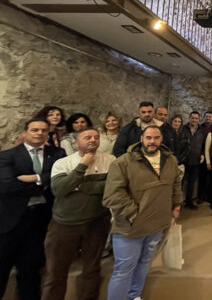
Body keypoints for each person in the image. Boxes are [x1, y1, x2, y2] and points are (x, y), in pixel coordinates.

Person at [103, 125, 183, 300]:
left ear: (161, 139)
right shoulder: (123, 162)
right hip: (130, 227)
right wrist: (134, 214)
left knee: (144, 263)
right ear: (141, 139)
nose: (152, 141)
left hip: (157, 224)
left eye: (156, 138)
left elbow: (176, 183)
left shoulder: (170, 160)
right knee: (123, 270)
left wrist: (176, 205)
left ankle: (134, 295)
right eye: (148, 138)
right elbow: (112, 195)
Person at [43, 128, 114, 300]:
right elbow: (60, 189)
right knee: (56, 271)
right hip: (65, 224)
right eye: (87, 137)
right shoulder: (63, 163)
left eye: (96, 137)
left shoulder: (110, 160)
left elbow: (113, 186)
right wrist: (82, 166)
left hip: (96, 222)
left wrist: (80, 185)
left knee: (92, 270)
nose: (93, 140)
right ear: (76, 143)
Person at [0, 118, 66, 299]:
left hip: (41, 218)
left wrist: (34, 178)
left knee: (31, 269)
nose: (39, 133)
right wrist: (44, 181)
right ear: (25, 133)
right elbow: (7, 186)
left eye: (43, 130)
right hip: (10, 220)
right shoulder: (7, 156)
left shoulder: (58, 153)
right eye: (35, 130)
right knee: (2, 266)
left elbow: (61, 178)